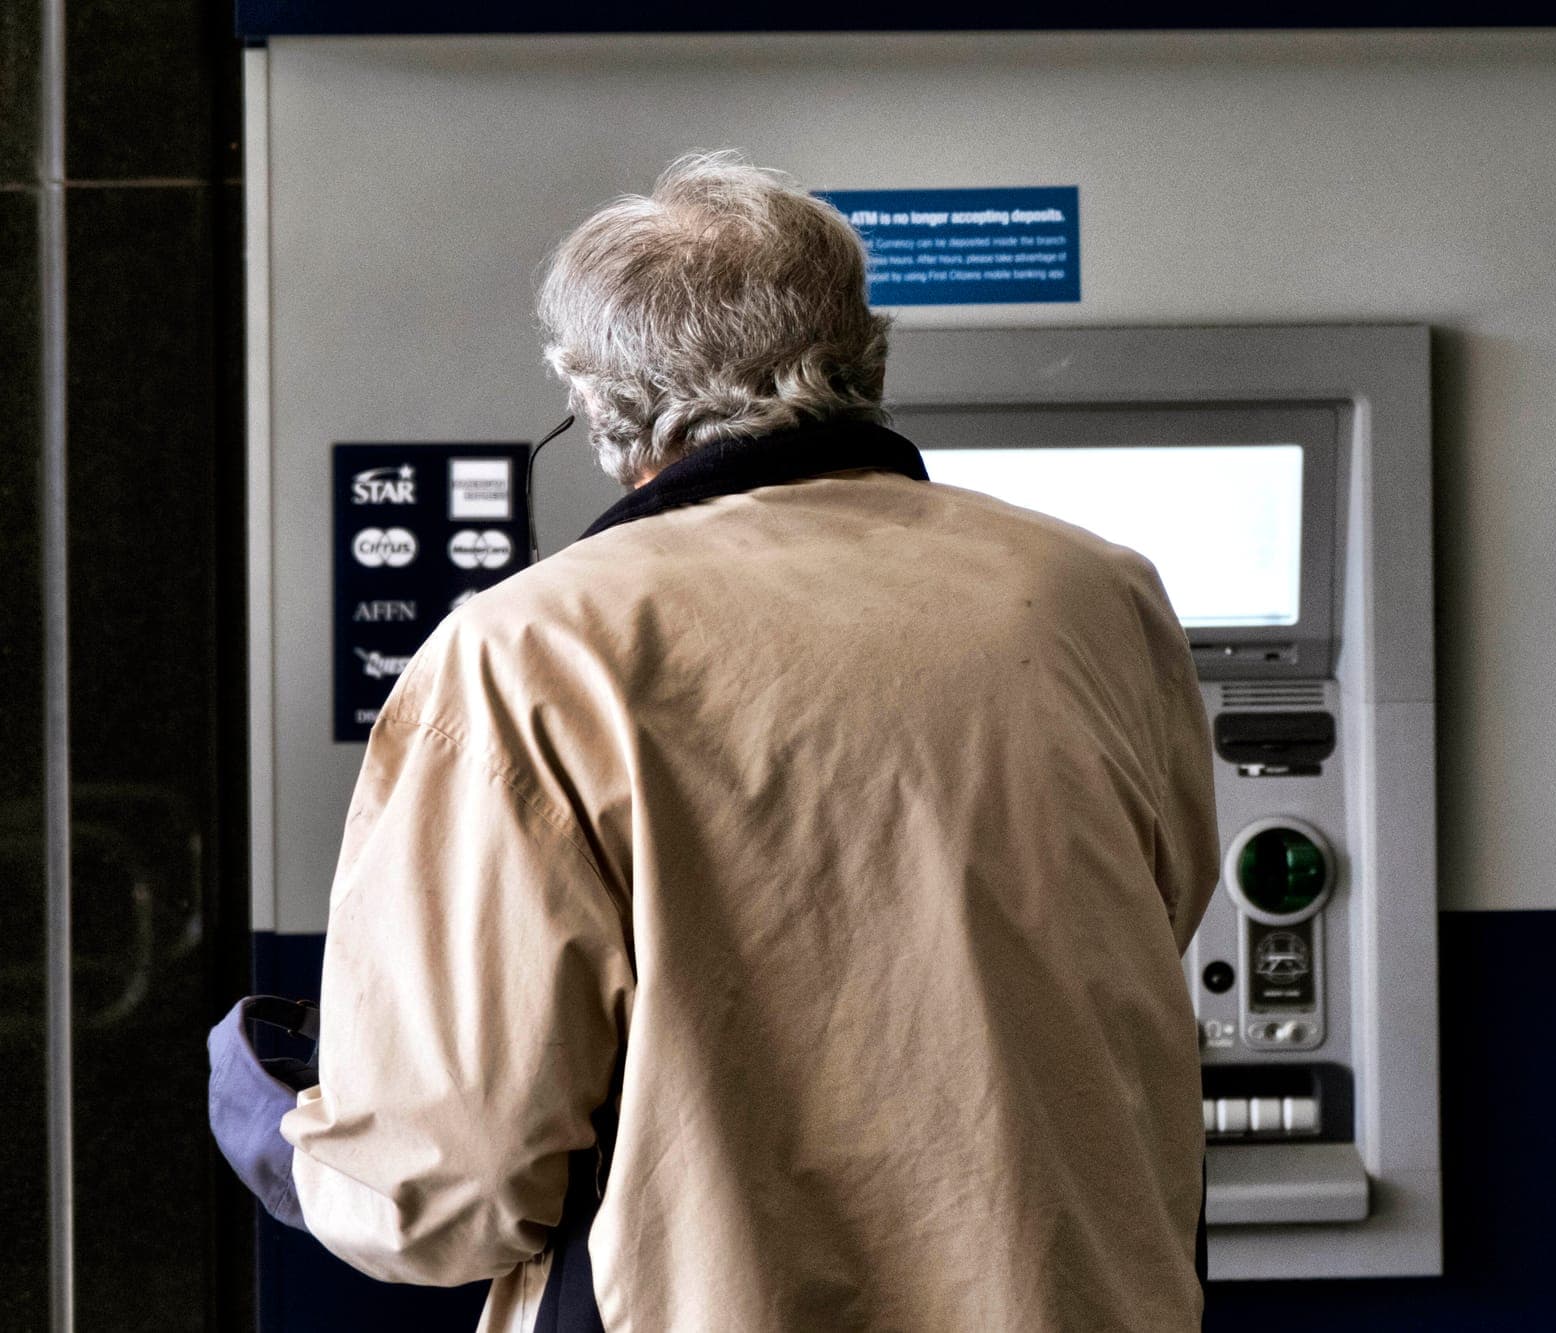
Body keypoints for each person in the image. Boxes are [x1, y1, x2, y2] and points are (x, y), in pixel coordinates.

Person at [210, 151, 1219, 1331]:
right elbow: (1148, 918)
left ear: (593, 399)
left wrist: (275, 1125)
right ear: (866, 353)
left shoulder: (531, 651)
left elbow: (449, 1192)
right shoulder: (1095, 591)